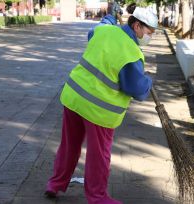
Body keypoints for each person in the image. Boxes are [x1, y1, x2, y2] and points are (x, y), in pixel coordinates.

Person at [45, 7, 158, 204]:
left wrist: (108, 18)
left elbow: (95, 31)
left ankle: (55, 185)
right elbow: (137, 90)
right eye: (149, 33)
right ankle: (98, 198)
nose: (149, 38)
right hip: (99, 111)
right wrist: (148, 81)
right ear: (137, 25)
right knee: (99, 155)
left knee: (69, 145)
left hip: (74, 98)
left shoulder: (106, 30)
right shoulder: (132, 53)